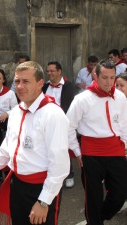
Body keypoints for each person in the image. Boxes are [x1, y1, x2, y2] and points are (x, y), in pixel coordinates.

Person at [0, 61, 70, 225]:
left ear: (40, 84)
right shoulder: (16, 112)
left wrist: (44, 202)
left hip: (41, 189)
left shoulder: (53, 114)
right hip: (17, 185)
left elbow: (59, 166)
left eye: (26, 81)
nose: (19, 86)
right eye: (17, 81)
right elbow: (6, 150)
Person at [66, 59, 127, 225]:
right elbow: (69, 127)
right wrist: (78, 153)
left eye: (112, 78)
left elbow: (124, 124)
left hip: (115, 150)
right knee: (93, 198)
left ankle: (100, 217)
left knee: (120, 193)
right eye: (105, 77)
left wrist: (125, 146)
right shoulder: (82, 99)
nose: (109, 82)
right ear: (95, 76)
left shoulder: (120, 97)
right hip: (91, 152)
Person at [42, 61, 77, 188]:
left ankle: (69, 175)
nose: (49, 73)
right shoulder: (45, 86)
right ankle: (52, 174)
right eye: (48, 71)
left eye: (52, 71)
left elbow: (68, 106)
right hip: (46, 123)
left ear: (59, 71)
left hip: (62, 122)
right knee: (48, 149)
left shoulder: (68, 86)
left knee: (64, 149)